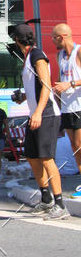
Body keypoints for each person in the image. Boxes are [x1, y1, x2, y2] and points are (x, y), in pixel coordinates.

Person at [11, 23, 69, 219]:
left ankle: (60, 204)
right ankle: (46, 199)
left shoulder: (37, 55)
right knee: (32, 156)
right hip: (35, 113)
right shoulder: (28, 58)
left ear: (17, 40)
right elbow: (35, 87)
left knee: (46, 158)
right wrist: (24, 98)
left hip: (47, 114)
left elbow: (46, 85)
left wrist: (37, 112)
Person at [51, 23, 81, 176]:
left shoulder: (79, 51)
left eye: (54, 38)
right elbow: (60, 78)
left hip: (79, 105)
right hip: (67, 107)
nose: (52, 41)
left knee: (80, 145)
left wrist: (70, 84)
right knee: (75, 147)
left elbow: (68, 82)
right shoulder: (60, 56)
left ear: (61, 37)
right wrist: (56, 91)